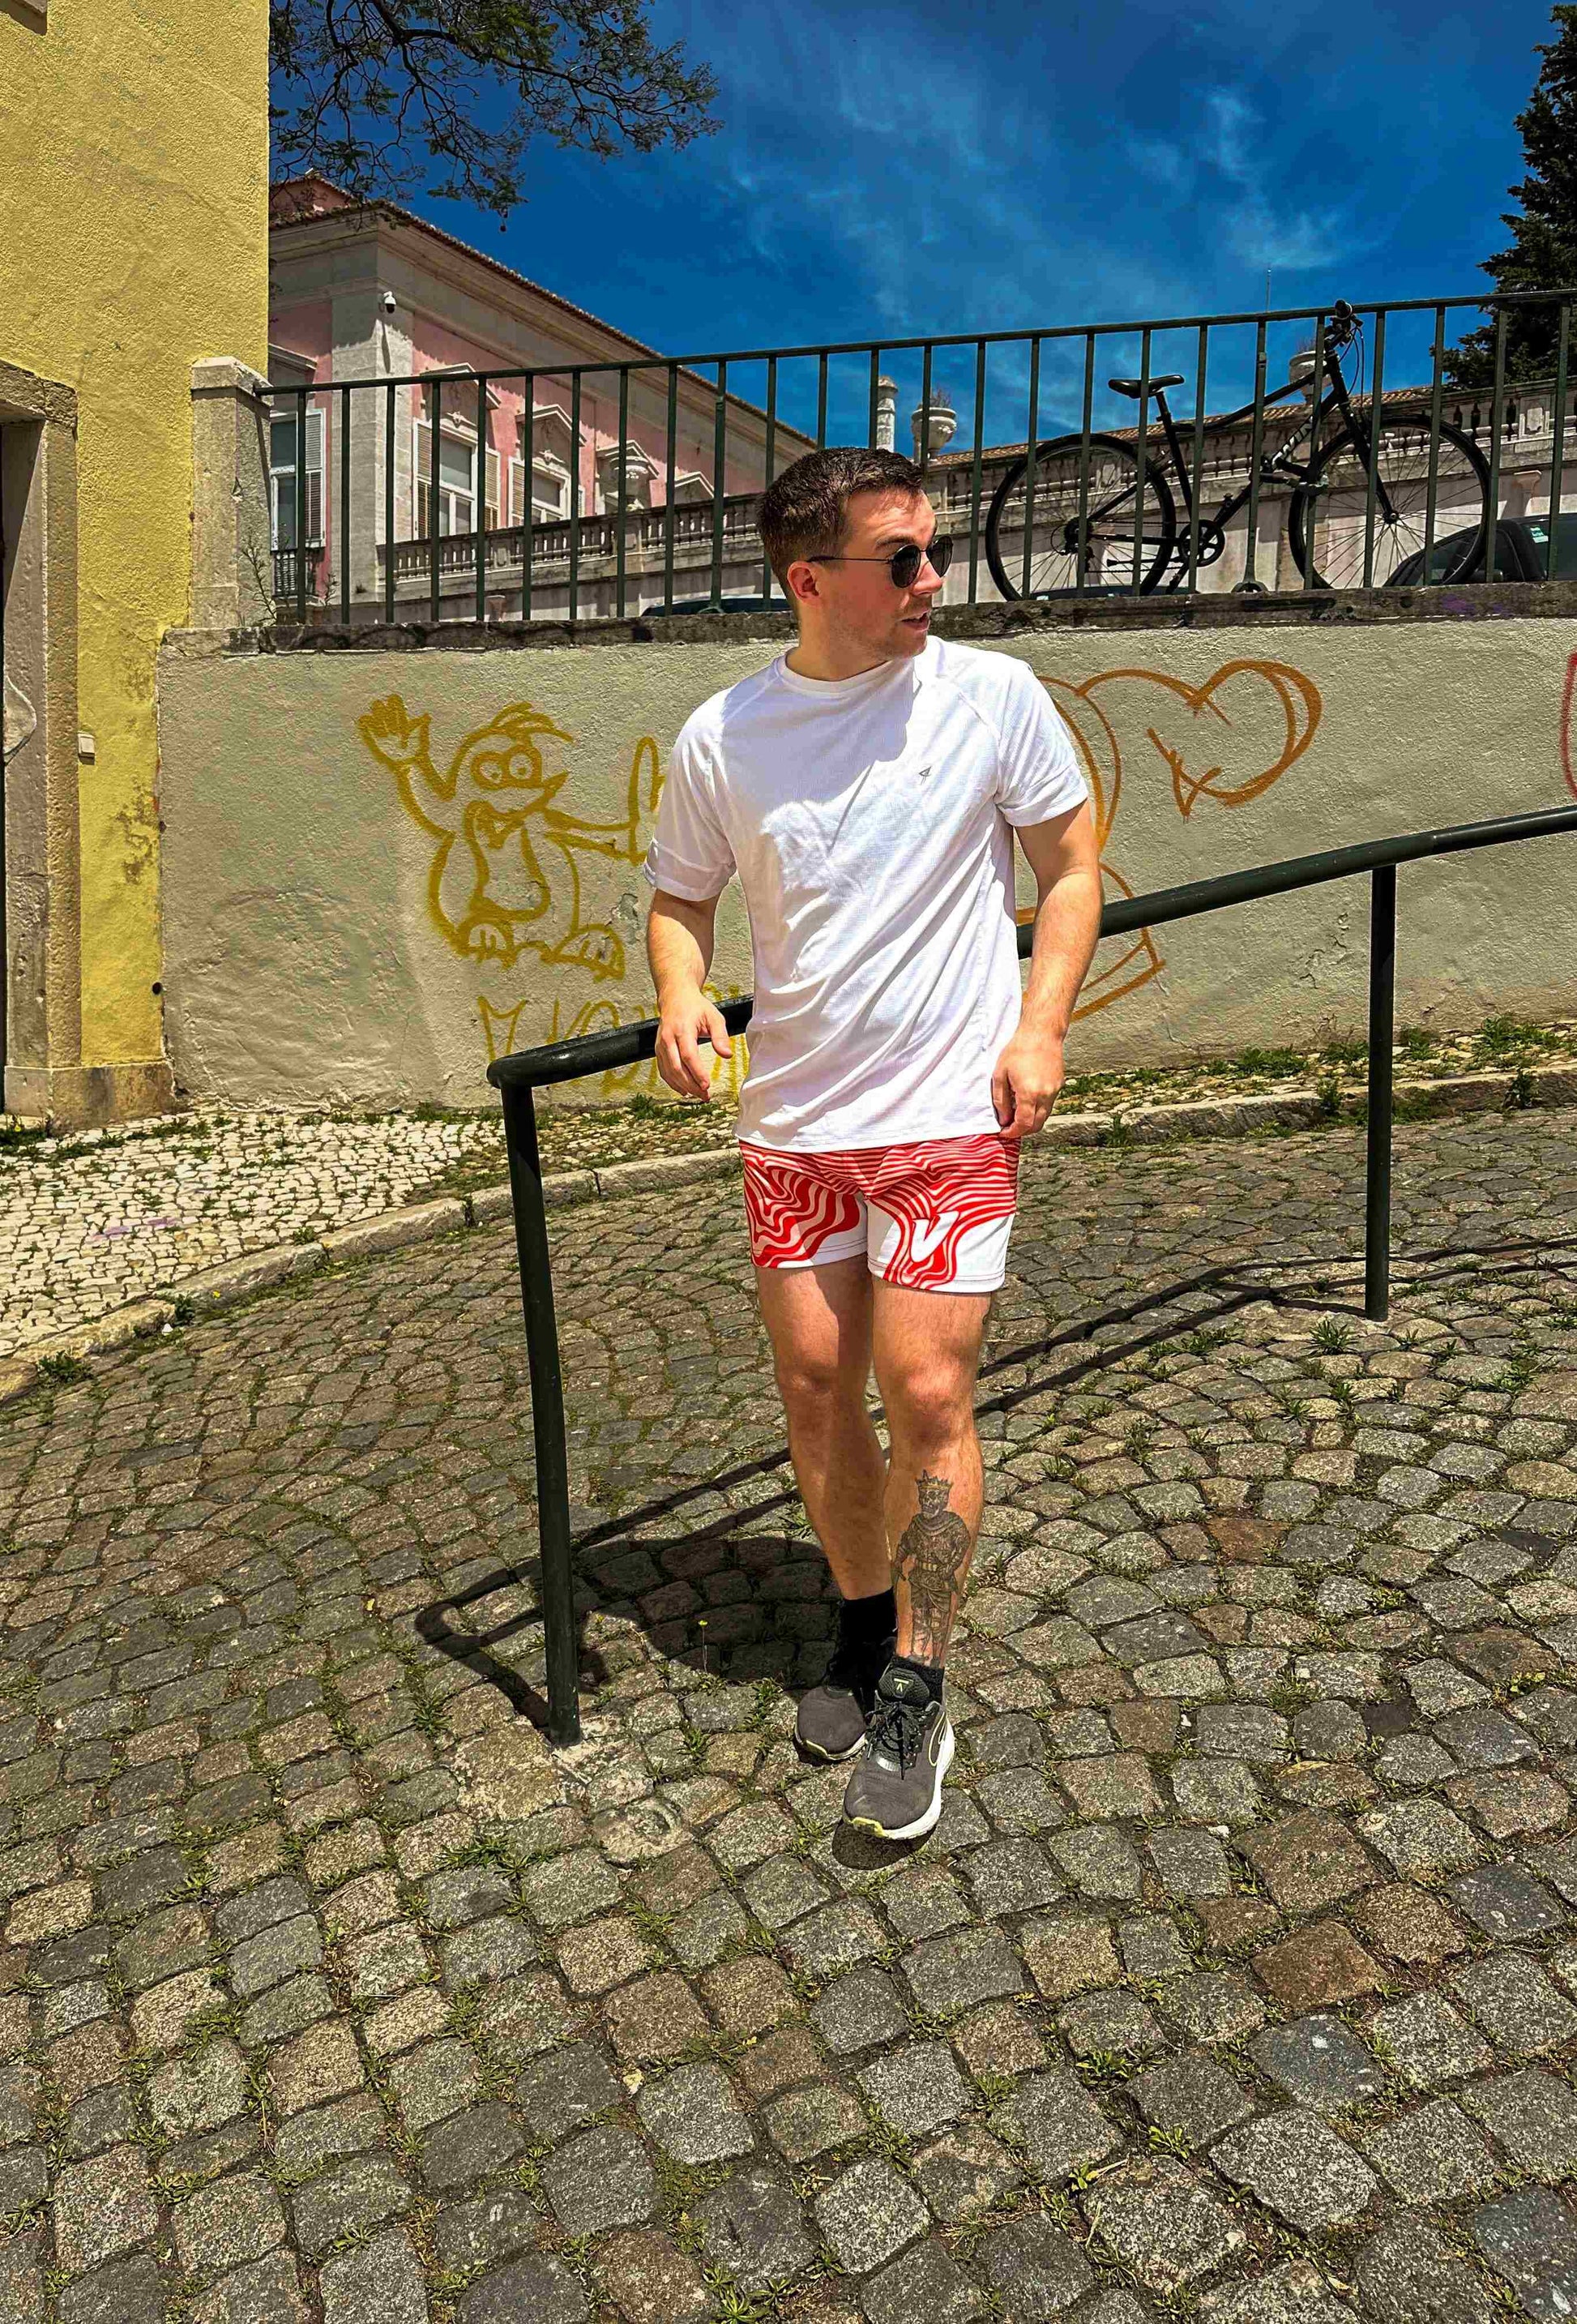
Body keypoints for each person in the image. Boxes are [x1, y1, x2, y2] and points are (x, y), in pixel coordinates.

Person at [643, 446, 1101, 1841]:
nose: (931, 578)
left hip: (948, 1118)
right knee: (813, 1388)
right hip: (795, 1128)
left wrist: (1040, 1027)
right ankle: (856, 1620)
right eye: (900, 558)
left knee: (927, 1392)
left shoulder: (990, 696)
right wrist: (678, 995)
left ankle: (917, 1674)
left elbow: (1071, 868)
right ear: (808, 579)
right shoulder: (724, 734)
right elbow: (678, 894)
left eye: (932, 550)